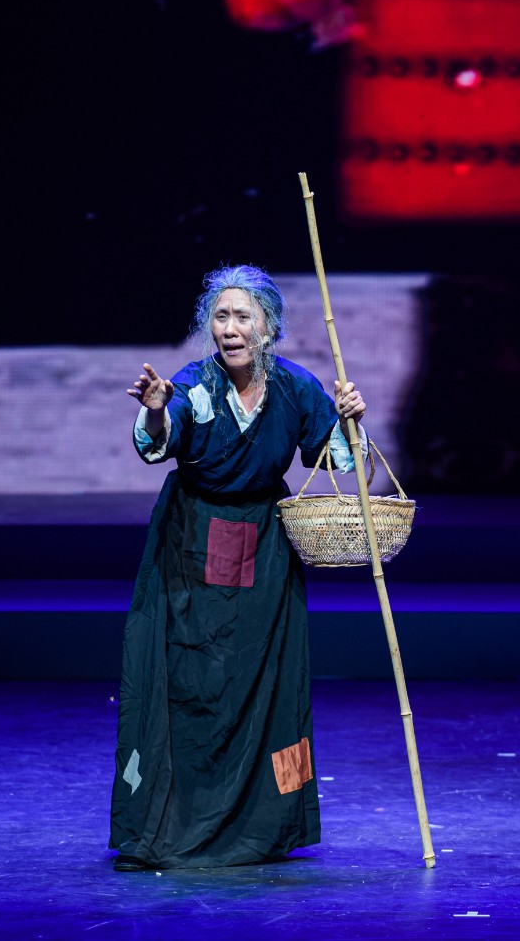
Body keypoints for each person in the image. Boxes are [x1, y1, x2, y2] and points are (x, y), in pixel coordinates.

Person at [110, 264, 369, 871]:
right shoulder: (194, 386)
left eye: (242, 317)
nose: (229, 328)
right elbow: (158, 440)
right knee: (196, 679)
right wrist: (155, 411)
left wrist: (351, 421)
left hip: (266, 546)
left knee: (270, 680)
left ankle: (271, 823)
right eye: (220, 316)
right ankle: (177, 821)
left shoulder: (296, 388)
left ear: (268, 327)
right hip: (193, 542)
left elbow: (343, 462)